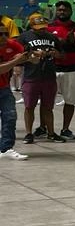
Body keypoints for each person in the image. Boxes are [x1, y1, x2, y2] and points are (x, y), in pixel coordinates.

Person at [18, 14, 64, 143]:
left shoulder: (52, 37)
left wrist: (55, 54)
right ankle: (28, 133)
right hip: (31, 76)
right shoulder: (24, 37)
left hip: (49, 76)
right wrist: (32, 54)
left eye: (43, 27)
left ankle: (50, 132)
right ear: (32, 26)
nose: (42, 30)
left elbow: (62, 55)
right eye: (39, 28)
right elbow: (18, 55)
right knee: (29, 106)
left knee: (48, 107)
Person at [47, 0, 75, 141]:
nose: (62, 12)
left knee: (69, 101)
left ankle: (65, 129)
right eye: (59, 10)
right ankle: (44, 128)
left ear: (70, 11)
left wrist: (74, 42)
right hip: (51, 68)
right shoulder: (48, 27)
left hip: (72, 69)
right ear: (56, 11)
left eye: (64, 10)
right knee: (47, 101)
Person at [0, 24, 31, 160]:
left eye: (6, 33)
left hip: (4, 88)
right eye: (0, 34)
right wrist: (17, 61)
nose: (4, 37)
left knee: (10, 116)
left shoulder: (11, 44)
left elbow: (29, 57)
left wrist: (31, 56)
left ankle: (6, 148)